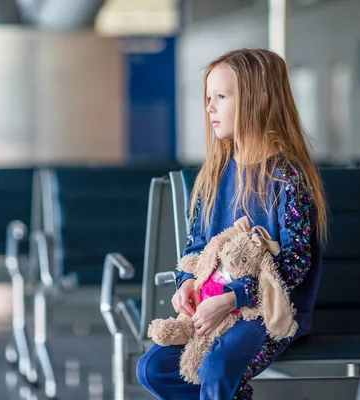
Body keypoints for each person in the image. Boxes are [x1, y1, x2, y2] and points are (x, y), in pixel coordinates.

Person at [136, 48, 328, 400]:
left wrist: (232, 298)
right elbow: (196, 246)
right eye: (208, 98)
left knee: (218, 368)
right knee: (153, 368)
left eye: (221, 97)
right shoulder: (215, 175)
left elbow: (295, 265)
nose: (209, 107)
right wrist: (189, 282)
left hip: (268, 313)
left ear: (260, 99)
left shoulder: (288, 178)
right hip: (214, 308)